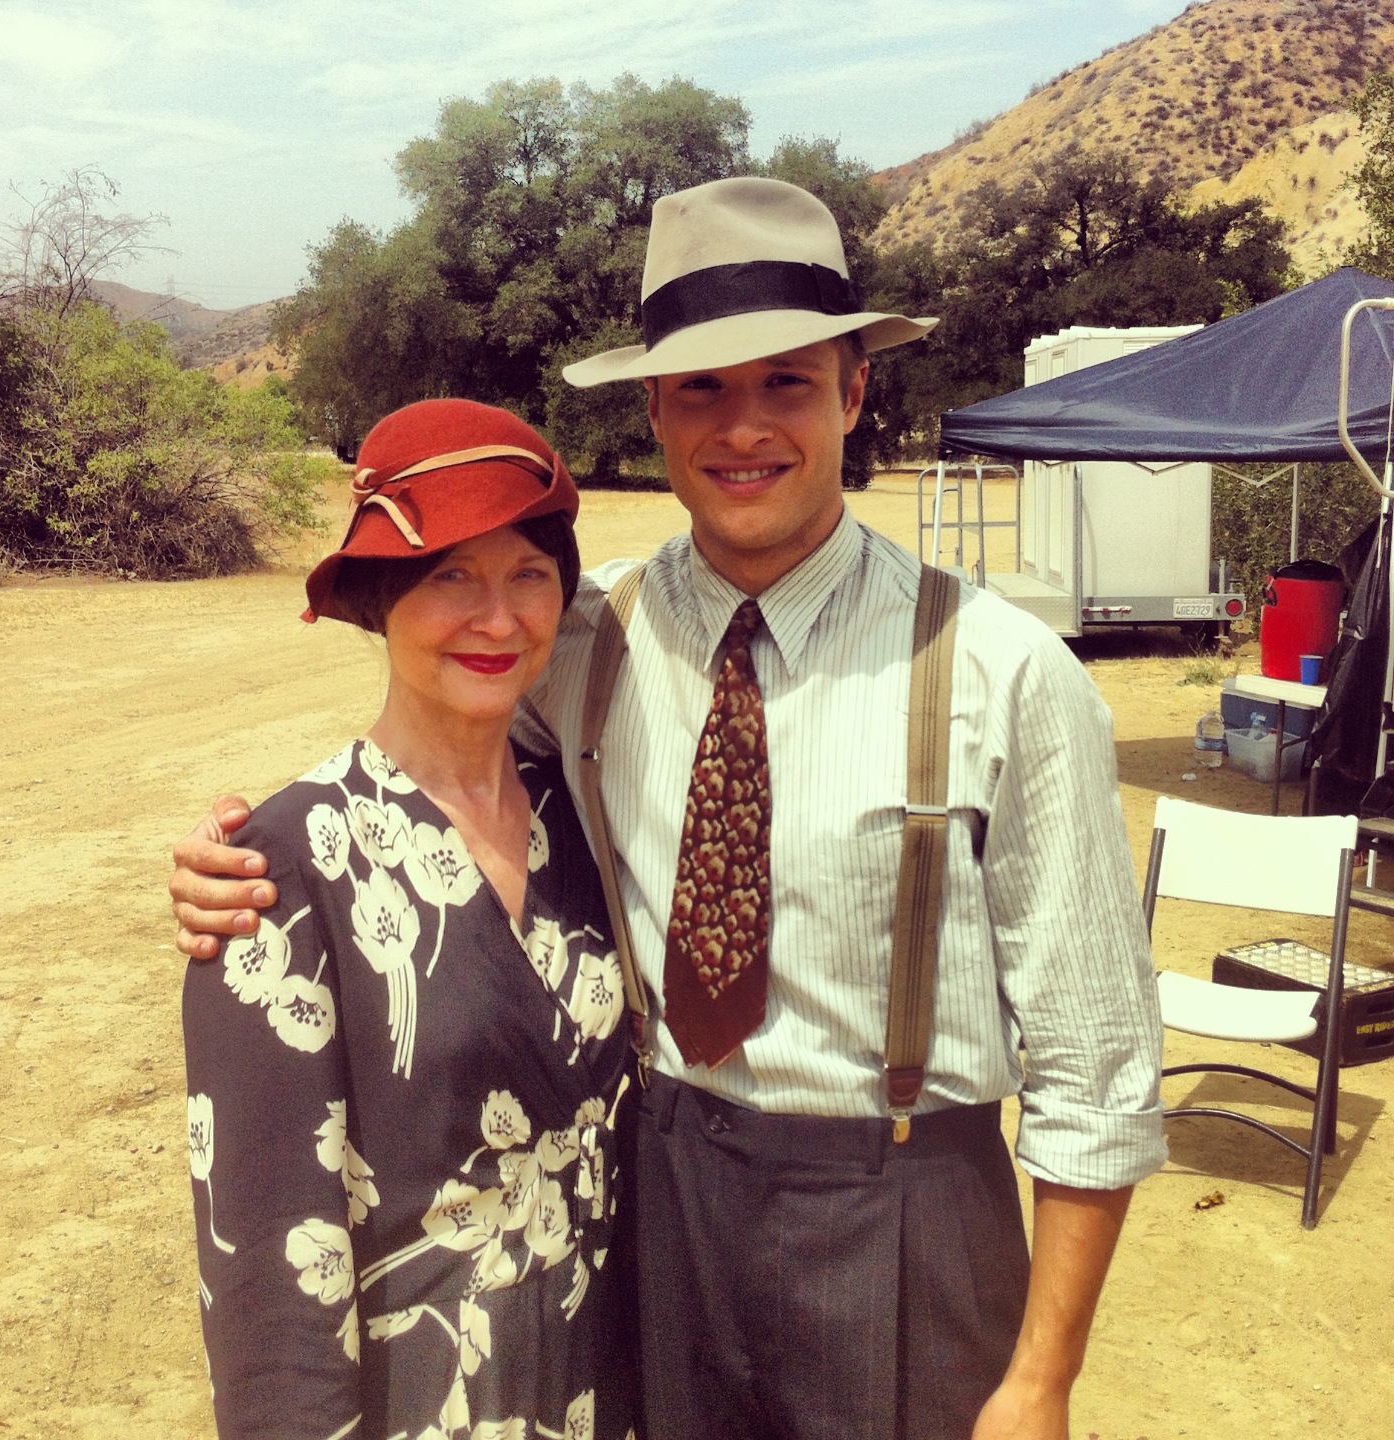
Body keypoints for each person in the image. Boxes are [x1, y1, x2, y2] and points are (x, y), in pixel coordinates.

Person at [172, 178, 1165, 1440]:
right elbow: (437, 756)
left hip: (907, 1212)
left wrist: (1040, 1381)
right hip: (664, 1208)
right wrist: (245, 860)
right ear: (652, 410)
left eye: (786, 383)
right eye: (701, 386)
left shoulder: (1004, 674)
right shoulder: (586, 637)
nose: (742, 428)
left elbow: (1098, 1069)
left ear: (856, 392)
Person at [181, 399, 637, 1440]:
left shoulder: (588, 818)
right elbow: (264, 1260)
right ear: (382, 600)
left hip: (607, 1386)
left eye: (529, 572)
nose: (499, 618)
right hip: (425, 1404)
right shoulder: (288, 869)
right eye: (450, 577)